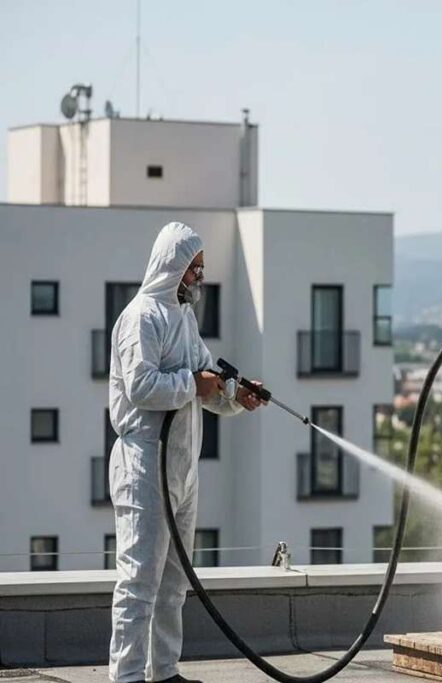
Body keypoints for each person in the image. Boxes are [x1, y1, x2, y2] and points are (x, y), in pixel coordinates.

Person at [107, 222, 266, 683]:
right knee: (140, 579)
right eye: (192, 269)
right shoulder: (142, 318)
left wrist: (237, 394)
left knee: (174, 580)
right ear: (171, 267)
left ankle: (165, 672)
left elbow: (205, 380)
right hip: (143, 464)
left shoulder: (183, 319)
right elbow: (141, 388)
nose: (198, 278)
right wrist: (194, 384)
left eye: (200, 268)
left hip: (181, 465)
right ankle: (128, 675)